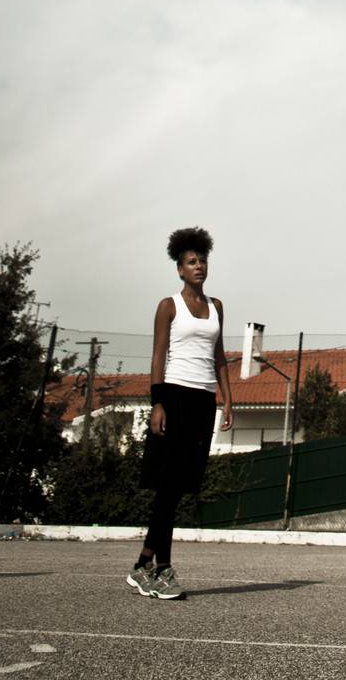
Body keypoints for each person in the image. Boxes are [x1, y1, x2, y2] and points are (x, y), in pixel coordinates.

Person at [126, 227, 232, 599]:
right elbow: (157, 355)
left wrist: (227, 399)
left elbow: (219, 357)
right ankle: (163, 570)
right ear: (179, 269)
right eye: (191, 261)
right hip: (173, 396)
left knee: (180, 487)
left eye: (202, 260)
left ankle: (142, 565)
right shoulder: (168, 306)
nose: (199, 266)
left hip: (203, 401)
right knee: (167, 486)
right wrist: (157, 402)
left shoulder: (217, 307)